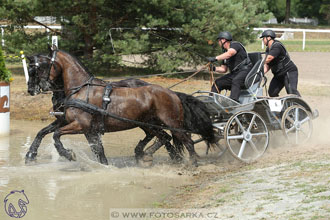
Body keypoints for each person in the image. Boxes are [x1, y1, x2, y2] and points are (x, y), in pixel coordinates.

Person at [207, 31, 252, 102]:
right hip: (235, 74)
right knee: (218, 82)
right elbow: (223, 69)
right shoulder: (225, 53)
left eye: (219, 40)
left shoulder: (235, 45)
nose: (218, 43)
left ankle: (233, 102)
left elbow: (230, 53)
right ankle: (211, 101)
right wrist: (214, 68)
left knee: (236, 80)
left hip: (245, 71)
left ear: (223, 40)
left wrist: (215, 58)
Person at [260, 29, 301, 97]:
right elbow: (267, 65)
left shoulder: (277, 46)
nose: (263, 40)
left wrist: (259, 64)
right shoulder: (268, 49)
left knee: (292, 92)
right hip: (278, 74)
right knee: (272, 92)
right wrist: (260, 73)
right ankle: (279, 107)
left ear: (269, 38)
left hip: (288, 72)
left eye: (263, 38)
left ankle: (299, 107)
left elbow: (269, 58)